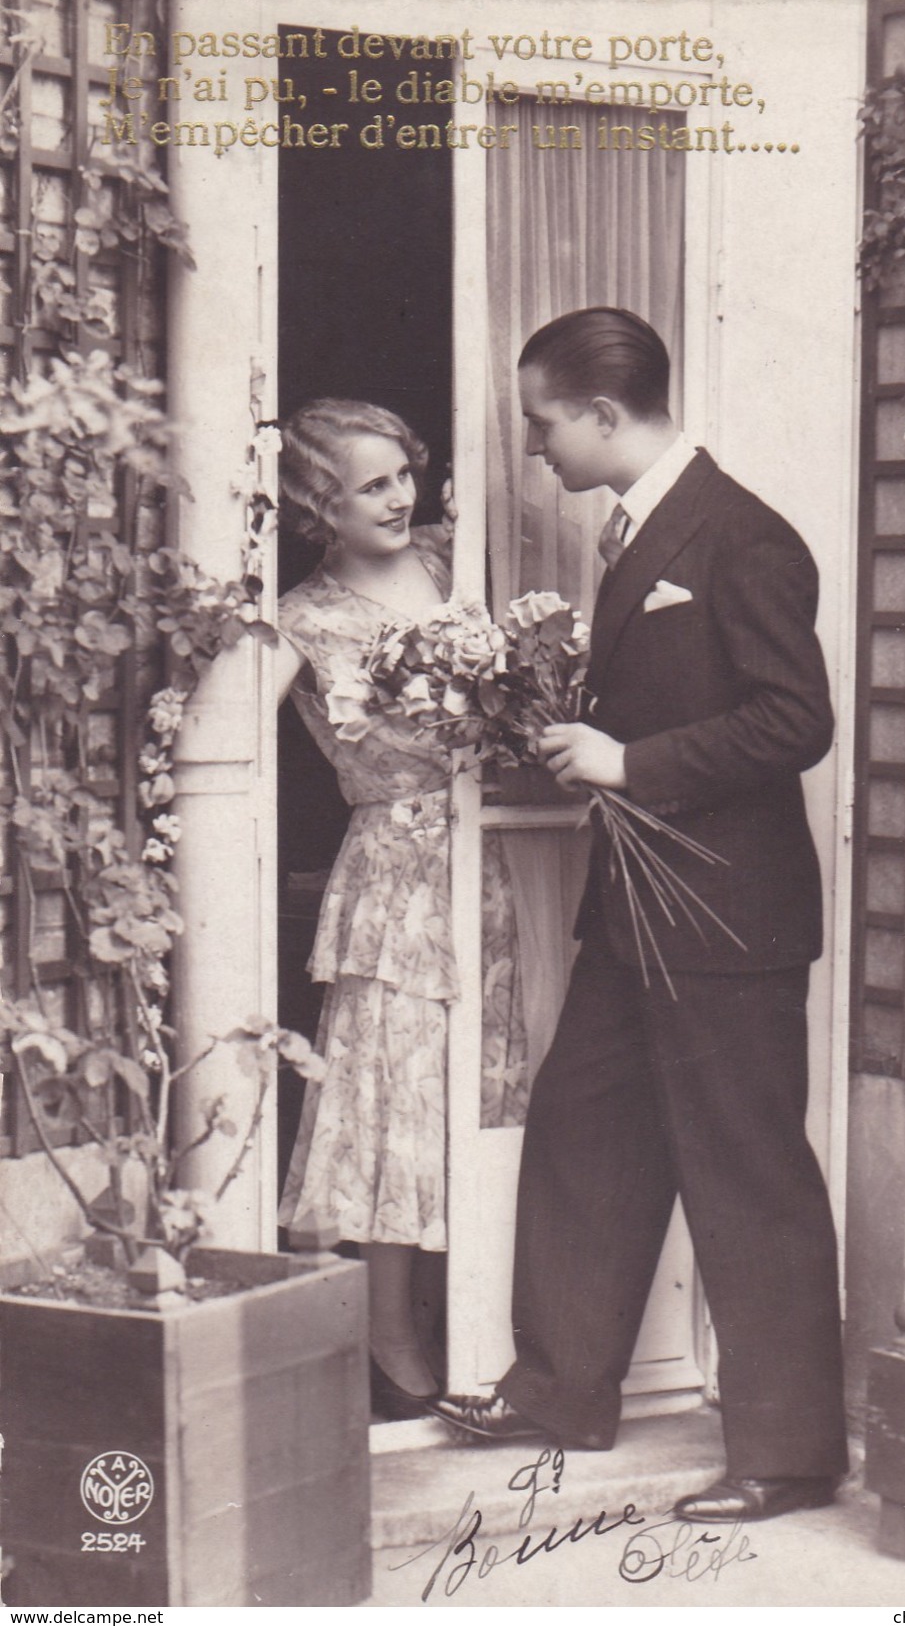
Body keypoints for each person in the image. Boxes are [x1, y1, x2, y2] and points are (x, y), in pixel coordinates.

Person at [435, 308, 849, 1522]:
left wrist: (628, 763)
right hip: (638, 915)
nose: (533, 448)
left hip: (728, 921)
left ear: (606, 415)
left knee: (748, 1172)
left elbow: (795, 722)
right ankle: (563, 1389)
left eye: (541, 422)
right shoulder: (636, 537)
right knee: (582, 1129)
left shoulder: (742, 536)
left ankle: (787, 1455)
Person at [273, 397, 526, 1421]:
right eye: (367, 484)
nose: (396, 496)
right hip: (396, 869)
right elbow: (220, 738)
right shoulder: (300, 614)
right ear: (316, 504)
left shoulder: (450, 558)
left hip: (500, 852)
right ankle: (388, 1338)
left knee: (484, 1088)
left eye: (400, 475)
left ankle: (469, 1321)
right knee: (392, 1098)